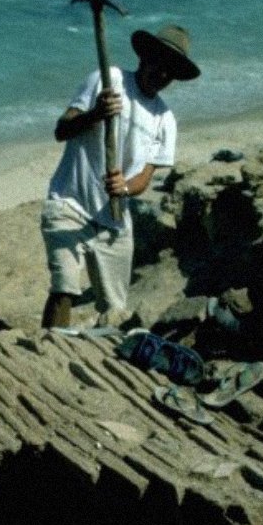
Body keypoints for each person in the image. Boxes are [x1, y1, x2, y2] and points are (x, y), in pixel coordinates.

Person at [40, 23, 200, 330]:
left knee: (115, 310)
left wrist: (125, 188)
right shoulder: (109, 80)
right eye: (159, 64)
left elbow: (145, 177)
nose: (162, 74)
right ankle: (48, 350)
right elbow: (62, 130)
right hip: (69, 204)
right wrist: (95, 114)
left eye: (171, 71)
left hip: (113, 217)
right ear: (144, 58)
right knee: (65, 287)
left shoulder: (165, 120)